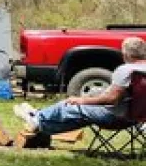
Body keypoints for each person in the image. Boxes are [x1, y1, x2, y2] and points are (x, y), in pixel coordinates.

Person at [14, 37, 146, 136]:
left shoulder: (126, 70)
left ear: (126, 54)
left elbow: (112, 99)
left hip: (116, 117)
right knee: (78, 115)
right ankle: (39, 121)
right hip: (137, 119)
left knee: (71, 104)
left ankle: (37, 117)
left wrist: (83, 100)